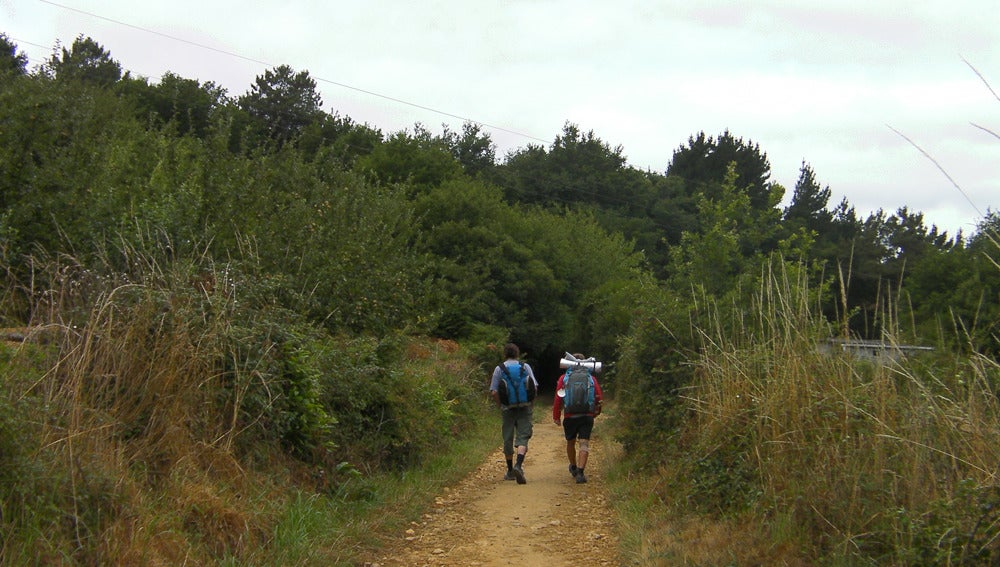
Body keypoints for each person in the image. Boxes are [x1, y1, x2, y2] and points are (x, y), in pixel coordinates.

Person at [489, 343, 538, 484]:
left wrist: (501, 405)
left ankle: (510, 471)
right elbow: (534, 388)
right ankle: (519, 465)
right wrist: (531, 405)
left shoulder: (499, 369)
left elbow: (494, 391)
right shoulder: (525, 367)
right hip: (524, 407)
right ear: (517, 354)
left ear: (505, 354)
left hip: (507, 409)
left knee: (508, 438)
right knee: (523, 437)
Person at [552, 353, 604, 484]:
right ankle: (581, 472)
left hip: (570, 416)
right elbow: (599, 397)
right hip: (587, 415)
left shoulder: (564, 378)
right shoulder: (590, 378)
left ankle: (573, 466)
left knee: (571, 442)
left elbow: (558, 398)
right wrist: (597, 411)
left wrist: (556, 416)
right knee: (584, 443)